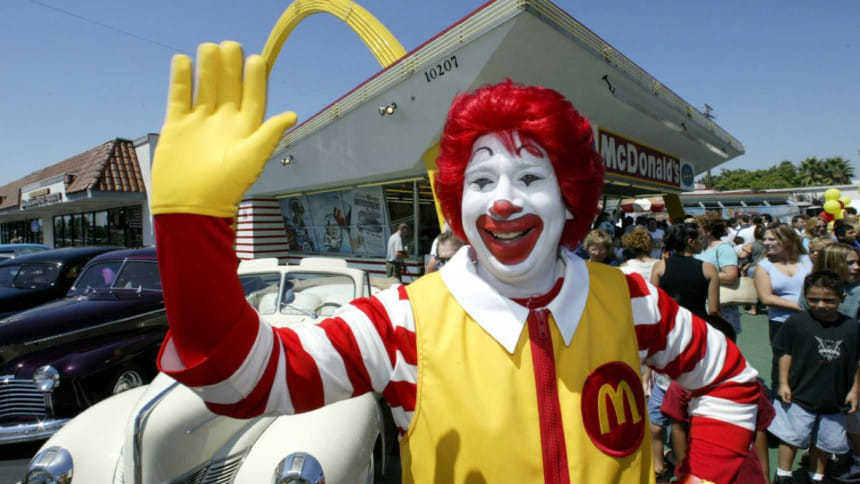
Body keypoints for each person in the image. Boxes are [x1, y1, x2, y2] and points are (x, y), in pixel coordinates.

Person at [150, 46, 759, 483]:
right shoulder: (402, 323)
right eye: (482, 180)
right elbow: (244, 380)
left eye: (529, 178)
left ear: (569, 197)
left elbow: (730, 379)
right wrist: (188, 223)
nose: (502, 201)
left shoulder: (629, 300)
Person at [768, 271, 860, 484]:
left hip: (835, 397)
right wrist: (783, 383)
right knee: (791, 435)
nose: (820, 305)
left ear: (842, 298)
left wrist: (855, 390)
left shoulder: (852, 327)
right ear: (805, 296)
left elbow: (857, 362)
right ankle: (783, 473)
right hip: (800, 392)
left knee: (826, 440)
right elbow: (785, 353)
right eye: (813, 299)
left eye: (829, 300)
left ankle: (816, 474)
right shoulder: (796, 322)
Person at [661, 316, 775, 484]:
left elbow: (759, 431)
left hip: (743, 471)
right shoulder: (682, 386)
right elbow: (678, 428)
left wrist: (765, 475)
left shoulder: (750, 386)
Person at [647, 222, 719, 481]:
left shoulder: (660, 267)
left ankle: (660, 464)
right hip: (698, 337)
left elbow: (653, 307)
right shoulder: (708, 269)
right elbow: (714, 310)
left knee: (661, 396)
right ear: (690, 241)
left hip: (669, 337)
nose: (701, 242)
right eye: (699, 238)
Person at [753, 223, 812, 395]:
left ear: (786, 240)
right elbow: (766, 297)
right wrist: (799, 306)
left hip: (810, 319)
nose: (766, 243)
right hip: (781, 322)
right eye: (765, 239)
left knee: (809, 359)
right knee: (781, 362)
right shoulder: (764, 266)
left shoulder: (807, 260)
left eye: (772, 239)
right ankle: (778, 398)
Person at [696, 214, 743, 335]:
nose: (696, 230)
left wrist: (701, 275)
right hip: (704, 303)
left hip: (721, 306)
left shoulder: (723, 248)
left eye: (699, 227)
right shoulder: (702, 247)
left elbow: (731, 275)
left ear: (709, 230)